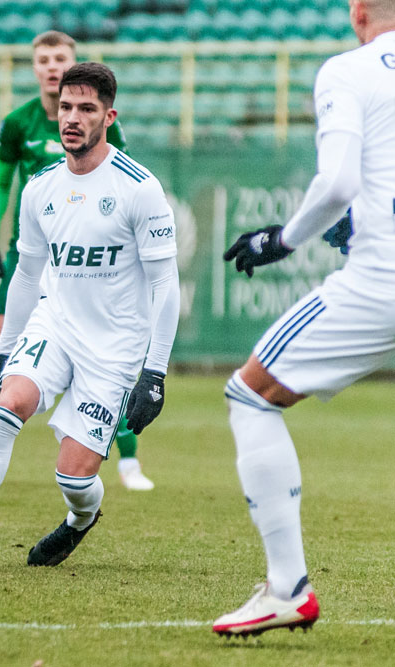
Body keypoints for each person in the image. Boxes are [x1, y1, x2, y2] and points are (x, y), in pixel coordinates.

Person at [0, 63, 179, 573]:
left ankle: (79, 521)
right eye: (66, 107)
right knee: (8, 403)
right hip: (54, 326)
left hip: (115, 349)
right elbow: (25, 275)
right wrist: (5, 349)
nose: (73, 118)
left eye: (86, 109)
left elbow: (165, 285)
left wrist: (155, 373)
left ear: (109, 116)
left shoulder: (139, 188)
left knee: (74, 479)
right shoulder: (40, 186)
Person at [213, 0, 395, 638]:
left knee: (250, 394)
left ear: (358, 12)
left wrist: (281, 240)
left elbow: (339, 183)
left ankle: (287, 588)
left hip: (384, 280)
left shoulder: (349, 70)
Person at [0, 31, 155, 493]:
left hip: (85, 258)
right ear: (34, 67)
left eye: (61, 58)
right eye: (44, 59)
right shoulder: (20, 122)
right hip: (28, 253)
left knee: (107, 357)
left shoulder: (101, 126)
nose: (52, 66)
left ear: (73, 64)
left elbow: (120, 187)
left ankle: (127, 460)